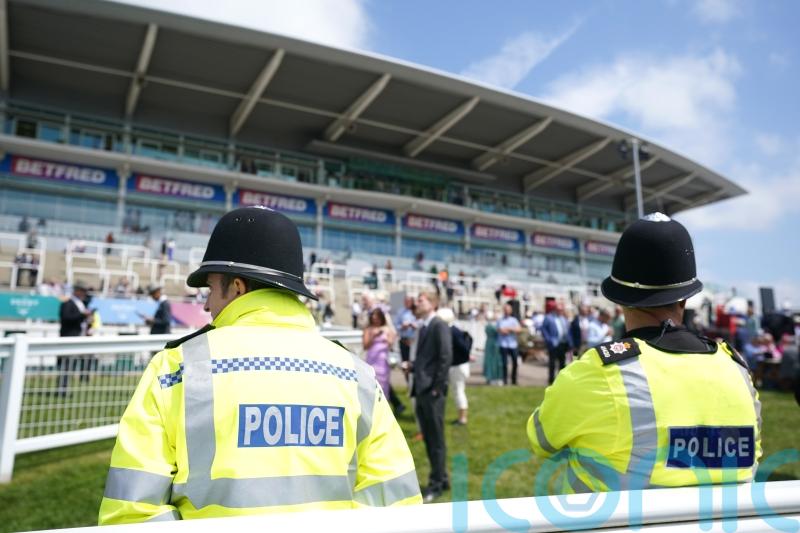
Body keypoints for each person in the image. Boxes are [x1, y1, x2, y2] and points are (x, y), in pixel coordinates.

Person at [99, 207, 420, 524]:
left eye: (210, 289)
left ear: (237, 287)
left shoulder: (175, 368)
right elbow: (395, 505)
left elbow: (132, 515)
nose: (207, 304)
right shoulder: (355, 374)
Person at [527, 213, 761, 493]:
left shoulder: (598, 371)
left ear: (619, 299)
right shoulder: (737, 369)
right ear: (685, 298)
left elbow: (541, 439)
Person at [411, 291, 452, 503]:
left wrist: (437, 388)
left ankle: (435, 484)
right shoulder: (425, 326)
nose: (417, 303)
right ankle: (442, 478)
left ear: (433, 303)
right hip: (422, 389)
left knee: (436, 439)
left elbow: (445, 357)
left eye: (421, 300)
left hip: (432, 392)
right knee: (429, 437)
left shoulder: (438, 325)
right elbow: (428, 358)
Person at [57, 281, 93, 395]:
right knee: (66, 365)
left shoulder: (81, 303)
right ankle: (62, 389)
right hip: (69, 337)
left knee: (71, 365)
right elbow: (66, 318)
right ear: (77, 291)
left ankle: (65, 388)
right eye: (83, 291)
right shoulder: (68, 303)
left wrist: (88, 321)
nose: (85, 293)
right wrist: (83, 315)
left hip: (79, 337)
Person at [440, 307, 469, 425]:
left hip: (457, 366)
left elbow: (464, 348)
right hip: (456, 365)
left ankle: (463, 418)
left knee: (458, 391)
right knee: (456, 391)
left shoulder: (453, 331)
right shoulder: (451, 330)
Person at [363, 307, 396, 400]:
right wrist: (373, 336)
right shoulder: (368, 329)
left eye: (377, 319)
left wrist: (387, 338)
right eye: (373, 319)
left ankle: (384, 401)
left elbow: (391, 343)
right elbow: (365, 346)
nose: (375, 321)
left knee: (383, 382)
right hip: (372, 358)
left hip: (382, 359)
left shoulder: (387, 329)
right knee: (371, 380)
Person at [541, 301, 571, 384]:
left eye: (562, 310)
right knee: (552, 363)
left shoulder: (563, 318)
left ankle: (561, 381)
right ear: (555, 309)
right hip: (554, 344)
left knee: (562, 363)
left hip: (563, 344)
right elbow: (543, 329)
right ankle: (551, 381)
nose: (561, 311)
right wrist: (549, 340)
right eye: (559, 310)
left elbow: (567, 330)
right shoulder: (549, 317)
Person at [496, 302, 521, 385]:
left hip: (513, 344)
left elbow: (519, 330)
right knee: (504, 363)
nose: (507, 311)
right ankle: (505, 380)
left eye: (508, 310)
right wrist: (511, 330)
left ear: (511, 311)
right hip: (503, 344)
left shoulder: (514, 320)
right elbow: (500, 330)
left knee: (515, 363)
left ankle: (514, 380)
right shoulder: (500, 320)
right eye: (505, 310)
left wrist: (509, 329)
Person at [394, 295, 418, 365]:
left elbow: (421, 323)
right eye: (405, 301)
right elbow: (396, 325)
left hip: (414, 340)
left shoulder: (416, 310)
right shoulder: (400, 312)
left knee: (414, 360)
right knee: (404, 362)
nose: (406, 303)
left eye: (408, 301)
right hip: (403, 340)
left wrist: (414, 325)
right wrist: (402, 326)